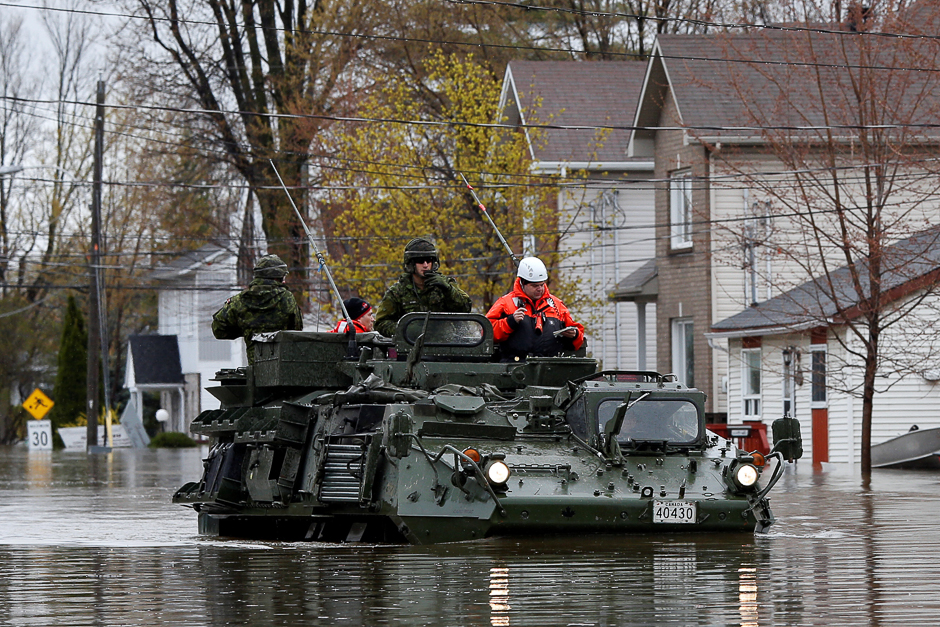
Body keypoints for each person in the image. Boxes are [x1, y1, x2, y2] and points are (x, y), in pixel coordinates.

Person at [485, 257, 585, 361]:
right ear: (522, 283)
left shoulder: (557, 305)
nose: (540, 289)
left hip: (549, 368)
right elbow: (486, 333)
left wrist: (575, 335)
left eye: (542, 285)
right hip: (514, 368)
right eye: (534, 286)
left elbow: (578, 339)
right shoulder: (505, 303)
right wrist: (510, 322)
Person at [211, 254, 303, 364]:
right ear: (276, 277)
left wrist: (246, 329)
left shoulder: (239, 300)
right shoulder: (287, 298)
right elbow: (297, 331)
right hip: (282, 368)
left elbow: (219, 330)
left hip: (255, 369)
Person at [373, 237, 472, 337]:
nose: (425, 265)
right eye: (420, 261)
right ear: (411, 263)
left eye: (429, 260)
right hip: (411, 347)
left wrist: (448, 290)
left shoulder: (446, 285)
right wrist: (406, 329)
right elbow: (380, 323)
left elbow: (466, 308)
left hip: (445, 344)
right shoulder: (397, 292)